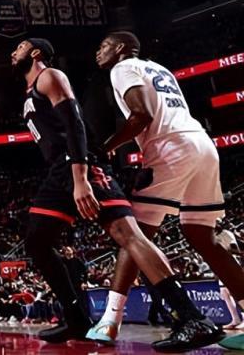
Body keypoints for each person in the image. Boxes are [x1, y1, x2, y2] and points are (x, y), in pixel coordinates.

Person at [11, 37, 222, 351]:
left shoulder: (49, 76)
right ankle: (76, 318)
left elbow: (74, 123)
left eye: (21, 47)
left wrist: (80, 176)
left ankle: (192, 318)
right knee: (37, 241)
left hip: (78, 164)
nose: (14, 52)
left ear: (36, 52)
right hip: (58, 171)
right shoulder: (31, 90)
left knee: (128, 235)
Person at [93, 31, 244, 350]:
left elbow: (141, 115)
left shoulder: (122, 68)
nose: (98, 52)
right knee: (203, 237)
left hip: (170, 148)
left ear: (120, 48)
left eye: (104, 46)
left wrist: (107, 146)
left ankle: (109, 321)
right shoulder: (159, 68)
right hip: (202, 144)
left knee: (134, 235)